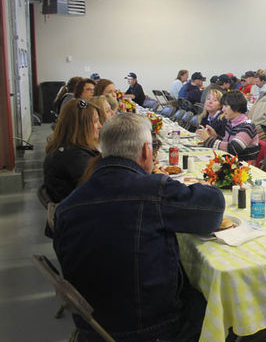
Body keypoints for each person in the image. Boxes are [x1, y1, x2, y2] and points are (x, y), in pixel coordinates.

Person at [54, 113, 224, 342]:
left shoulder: (67, 206)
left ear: (102, 150)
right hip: (152, 328)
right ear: (146, 151)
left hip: (94, 329)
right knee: (213, 301)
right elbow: (212, 212)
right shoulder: (153, 191)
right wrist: (205, 186)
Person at [44, 99, 102, 203]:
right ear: (81, 126)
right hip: (76, 214)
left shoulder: (67, 149)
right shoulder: (76, 158)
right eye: (95, 121)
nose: (100, 126)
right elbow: (98, 191)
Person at [201, 90, 260, 161]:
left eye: (226, 106)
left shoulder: (247, 126)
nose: (222, 109)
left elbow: (234, 148)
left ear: (236, 107)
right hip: (231, 161)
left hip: (244, 166)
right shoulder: (231, 122)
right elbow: (228, 143)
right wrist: (215, 136)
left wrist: (209, 140)